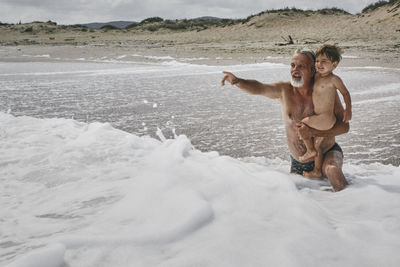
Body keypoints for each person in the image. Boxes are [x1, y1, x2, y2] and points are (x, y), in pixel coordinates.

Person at [221, 48, 349, 191]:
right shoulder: (284, 90)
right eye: (292, 65)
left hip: (327, 154)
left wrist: (313, 133)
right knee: (294, 198)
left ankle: (351, 205)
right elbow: (260, 87)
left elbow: (344, 127)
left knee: (332, 171)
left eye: (301, 66)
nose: (295, 69)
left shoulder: (325, 91)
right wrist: (238, 81)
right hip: (298, 162)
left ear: (313, 70)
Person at [299, 44, 352, 178]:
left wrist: (348, 109)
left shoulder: (334, 80)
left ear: (334, 65)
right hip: (321, 117)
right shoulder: (317, 76)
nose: (319, 64)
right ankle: (317, 171)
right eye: (317, 61)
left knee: (302, 125)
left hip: (325, 118)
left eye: (324, 62)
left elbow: (345, 93)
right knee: (319, 145)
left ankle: (309, 151)